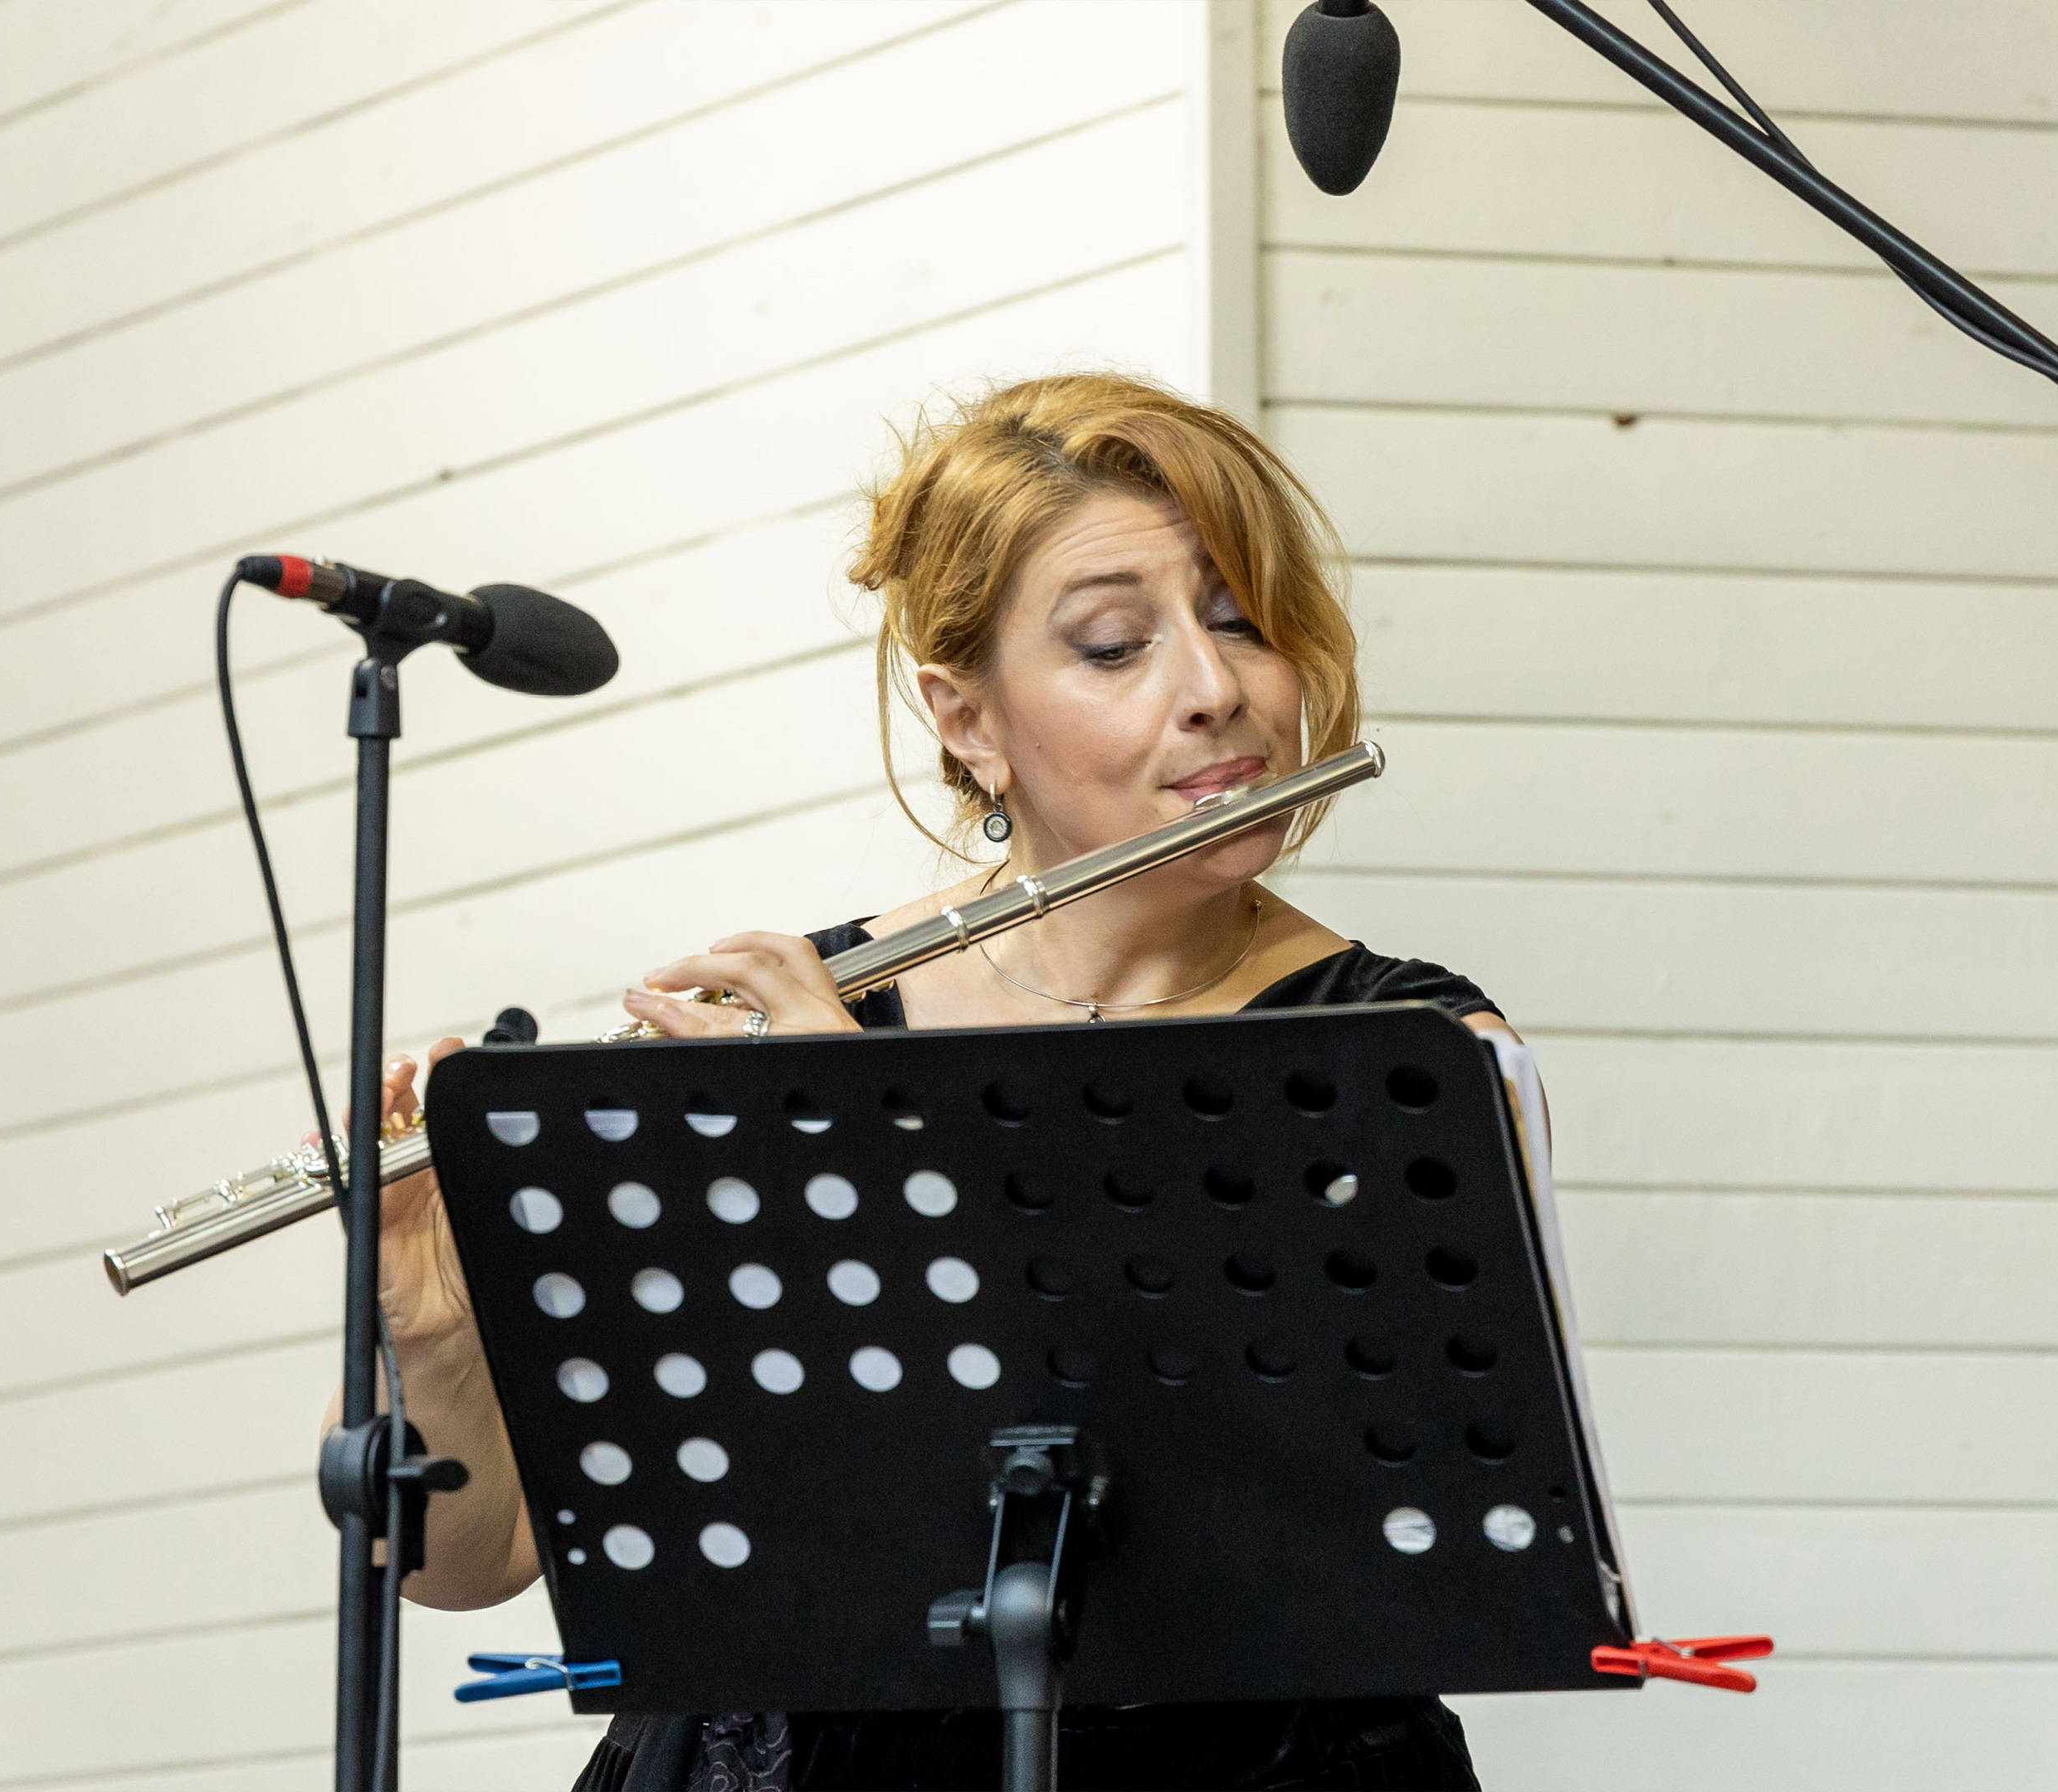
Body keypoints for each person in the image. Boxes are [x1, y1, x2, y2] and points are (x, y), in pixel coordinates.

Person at [345, 373, 1519, 1790]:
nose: (1216, 691)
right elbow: (474, 1562)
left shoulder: (1415, 1056)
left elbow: (1277, 1496)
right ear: (968, 719)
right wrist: (432, 1343)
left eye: (1242, 617)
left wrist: (872, 1153)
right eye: (1115, 645)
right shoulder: (790, 1024)